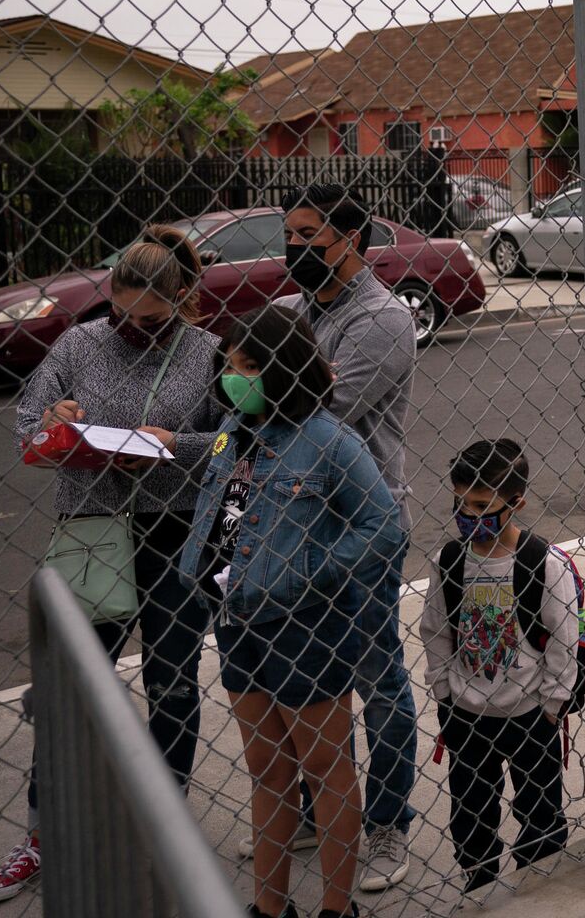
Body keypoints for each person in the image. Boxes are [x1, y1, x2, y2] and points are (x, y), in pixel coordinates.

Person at [0, 226, 224, 905]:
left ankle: (160, 820)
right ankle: (41, 832)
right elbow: (28, 422)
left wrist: (181, 444)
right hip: (93, 526)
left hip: (176, 533)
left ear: (182, 302)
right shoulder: (81, 343)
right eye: (121, 314)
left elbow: (237, 442)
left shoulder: (207, 353)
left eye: (149, 319)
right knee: (74, 690)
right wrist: (53, 420)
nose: (131, 328)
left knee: (172, 683)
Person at [183, 306, 402, 918]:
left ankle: (337, 908)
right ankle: (270, 906)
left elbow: (382, 525)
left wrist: (308, 572)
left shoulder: (329, 439)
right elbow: (221, 507)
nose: (233, 378)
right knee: (266, 769)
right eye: (228, 365)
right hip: (237, 621)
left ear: (282, 369)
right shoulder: (234, 430)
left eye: (247, 367)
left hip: (306, 628)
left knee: (326, 767)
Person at [255, 184, 420, 892]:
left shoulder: (382, 319)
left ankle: (383, 823)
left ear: (351, 239)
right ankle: (320, 810)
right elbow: (255, 386)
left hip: (361, 526)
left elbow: (327, 407)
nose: (295, 249)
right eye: (289, 235)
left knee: (375, 679)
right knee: (303, 681)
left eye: (310, 238)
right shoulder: (291, 311)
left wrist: (267, 392)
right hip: (292, 528)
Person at [423, 439, 585, 896]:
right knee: (471, 813)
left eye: (481, 505)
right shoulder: (449, 563)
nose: (470, 516)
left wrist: (552, 704)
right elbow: (435, 632)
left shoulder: (543, 564)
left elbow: (563, 640)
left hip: (530, 714)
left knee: (540, 812)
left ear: (517, 503)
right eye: (461, 505)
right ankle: (480, 883)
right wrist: (444, 694)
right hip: (467, 715)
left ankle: (539, 890)